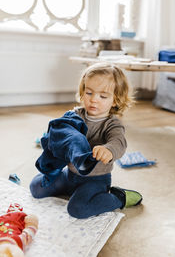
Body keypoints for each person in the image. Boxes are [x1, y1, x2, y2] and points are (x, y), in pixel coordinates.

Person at [30, 63, 143, 219]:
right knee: (36, 189)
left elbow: (119, 142)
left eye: (103, 96)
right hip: (69, 174)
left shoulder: (112, 124)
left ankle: (119, 198)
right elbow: (61, 132)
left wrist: (108, 150)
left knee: (77, 209)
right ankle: (68, 189)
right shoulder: (75, 115)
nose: (94, 100)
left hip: (95, 180)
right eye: (89, 93)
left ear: (115, 100)